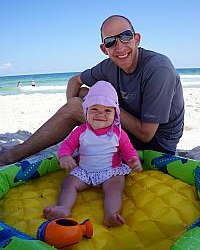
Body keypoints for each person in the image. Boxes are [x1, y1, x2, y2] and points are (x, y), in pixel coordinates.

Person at [0, 14, 184, 166]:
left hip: (155, 146)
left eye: (126, 36)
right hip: (129, 130)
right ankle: (87, 133)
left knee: (80, 103)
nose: (119, 46)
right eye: (111, 41)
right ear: (104, 49)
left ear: (137, 39)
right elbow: (75, 80)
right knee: (81, 97)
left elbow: (147, 134)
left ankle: (11, 156)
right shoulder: (109, 66)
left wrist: (81, 109)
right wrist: (79, 114)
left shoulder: (158, 69)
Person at [43, 81, 142, 227]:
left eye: (107, 110)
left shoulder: (119, 133)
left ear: (115, 114)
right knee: (68, 183)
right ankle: (64, 208)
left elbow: (128, 149)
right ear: (86, 112)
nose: (100, 114)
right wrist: (65, 156)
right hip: (84, 171)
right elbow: (67, 145)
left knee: (115, 188)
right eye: (94, 109)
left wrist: (133, 159)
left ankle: (111, 214)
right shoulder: (81, 131)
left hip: (110, 172)